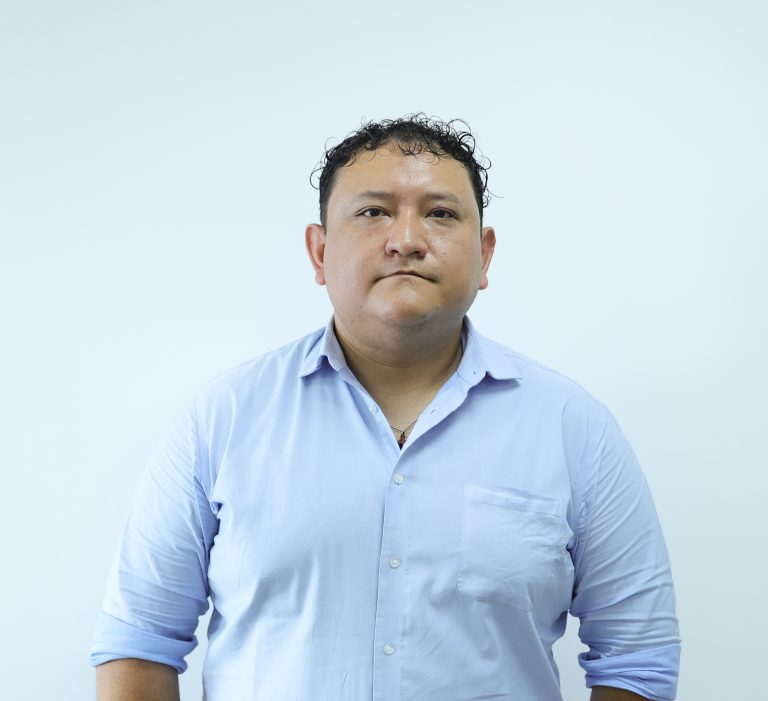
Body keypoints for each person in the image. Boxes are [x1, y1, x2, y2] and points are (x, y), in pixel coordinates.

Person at [91, 114, 681, 700]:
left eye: (440, 213)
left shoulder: (573, 429)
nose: (407, 240)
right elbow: (139, 641)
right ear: (319, 252)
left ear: (485, 256)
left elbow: (636, 660)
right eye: (373, 212)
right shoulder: (223, 419)